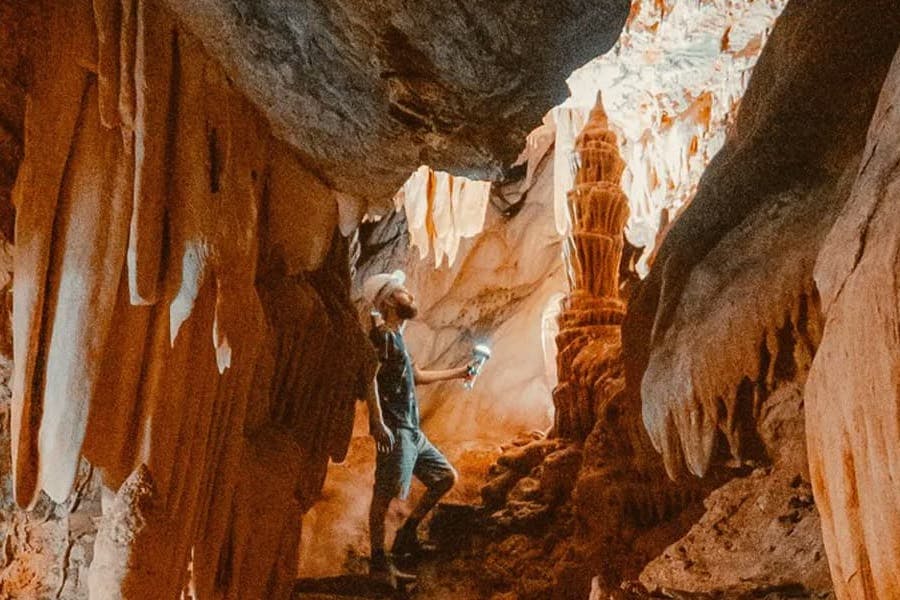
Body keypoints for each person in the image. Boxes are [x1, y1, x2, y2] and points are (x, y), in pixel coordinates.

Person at [362, 270, 472, 585]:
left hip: (413, 431)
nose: (409, 294)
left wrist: (460, 372)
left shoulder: (397, 337)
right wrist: (377, 421)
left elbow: (417, 376)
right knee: (384, 495)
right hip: (396, 430)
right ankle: (378, 563)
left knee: (445, 477)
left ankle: (406, 534)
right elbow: (369, 377)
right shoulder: (382, 337)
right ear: (387, 301)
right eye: (402, 291)